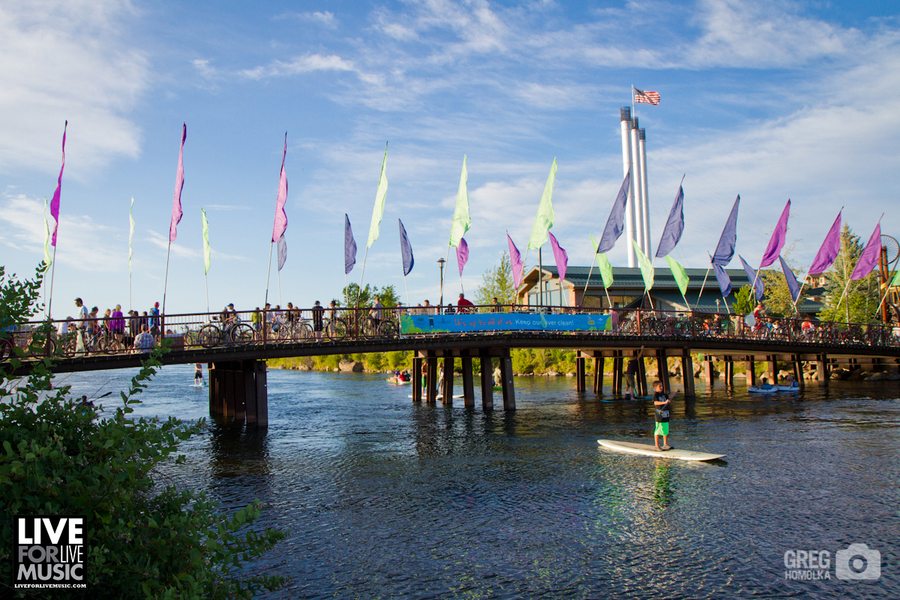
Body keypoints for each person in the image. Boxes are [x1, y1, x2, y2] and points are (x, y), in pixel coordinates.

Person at [652, 381, 677, 451]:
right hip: (659, 415)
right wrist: (664, 402)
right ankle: (657, 446)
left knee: (665, 430)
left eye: (662, 386)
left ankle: (665, 444)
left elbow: (668, 400)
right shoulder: (656, 395)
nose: (661, 387)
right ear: (655, 388)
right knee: (658, 430)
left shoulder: (664, 394)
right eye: (659, 386)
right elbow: (655, 403)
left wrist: (669, 400)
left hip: (666, 415)